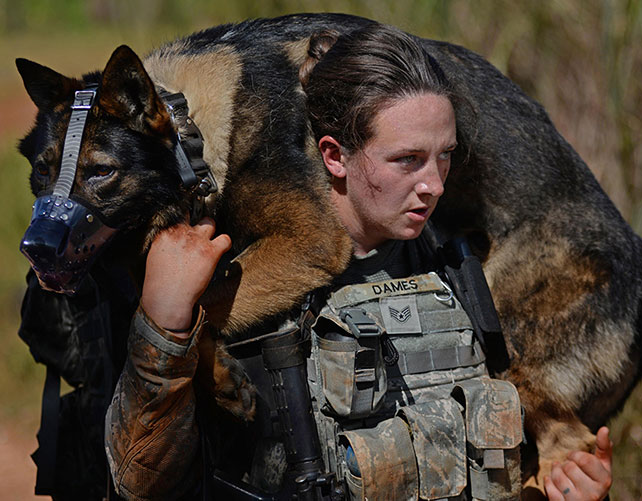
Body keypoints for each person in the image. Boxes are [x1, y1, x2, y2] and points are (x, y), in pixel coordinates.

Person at [105, 24, 613, 500]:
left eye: (445, 155)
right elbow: (139, 482)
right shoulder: (234, 284)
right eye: (407, 160)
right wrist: (164, 328)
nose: (434, 184)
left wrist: (564, 490)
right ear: (334, 155)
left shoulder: (467, 273)